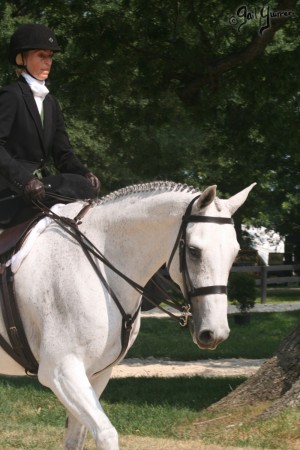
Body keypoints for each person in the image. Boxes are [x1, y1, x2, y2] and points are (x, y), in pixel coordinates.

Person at [0, 23, 100, 226]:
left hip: (40, 191)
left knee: (81, 186)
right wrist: (25, 180)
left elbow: (63, 154)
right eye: (41, 56)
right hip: (10, 192)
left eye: (50, 57)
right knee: (66, 184)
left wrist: (85, 173)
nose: (48, 63)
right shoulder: (11, 96)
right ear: (22, 58)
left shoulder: (51, 103)